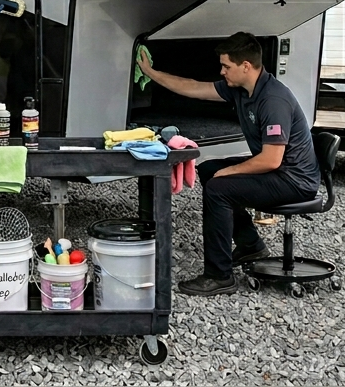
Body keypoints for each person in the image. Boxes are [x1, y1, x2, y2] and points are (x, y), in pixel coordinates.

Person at [136, 31, 320, 296]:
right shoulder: (241, 89)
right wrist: (150, 72)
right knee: (208, 169)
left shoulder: (273, 100)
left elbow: (271, 160)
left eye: (226, 66)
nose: (221, 72)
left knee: (218, 189)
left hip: (295, 180)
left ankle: (219, 276)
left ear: (245, 66)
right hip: (280, 170)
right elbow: (193, 87)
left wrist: (229, 171)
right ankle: (250, 245)